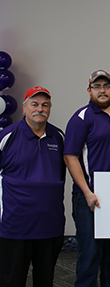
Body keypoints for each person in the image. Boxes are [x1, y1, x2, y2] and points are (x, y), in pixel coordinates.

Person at [64, 69, 110, 286]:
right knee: (90, 254)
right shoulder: (81, 118)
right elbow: (70, 157)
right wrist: (87, 192)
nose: (102, 90)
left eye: (106, 86)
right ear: (89, 90)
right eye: (97, 87)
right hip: (90, 197)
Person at [0, 86, 65, 287]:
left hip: (50, 226)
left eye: (45, 105)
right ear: (25, 107)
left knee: (45, 280)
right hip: (15, 226)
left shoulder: (59, 137)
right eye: (35, 104)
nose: (40, 109)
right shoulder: (7, 136)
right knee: (12, 280)